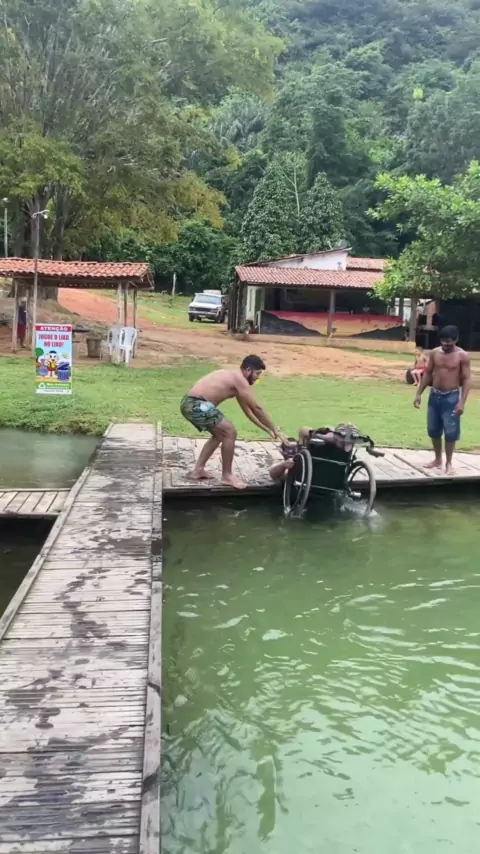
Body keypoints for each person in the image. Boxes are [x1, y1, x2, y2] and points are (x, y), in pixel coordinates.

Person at [180, 355, 284, 489]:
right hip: (196, 404)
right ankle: (227, 476)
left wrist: (268, 430)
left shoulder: (236, 380)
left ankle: (197, 471)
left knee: (220, 435)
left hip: (190, 404)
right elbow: (257, 408)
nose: (257, 378)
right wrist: (275, 429)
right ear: (248, 370)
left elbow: (249, 411)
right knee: (230, 432)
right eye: (257, 373)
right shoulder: (239, 380)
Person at [414, 325, 471, 475]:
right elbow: (428, 373)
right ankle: (437, 459)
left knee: (451, 431)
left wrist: (462, 402)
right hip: (435, 395)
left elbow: (466, 379)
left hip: (451, 397)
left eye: (449, 343)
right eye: (443, 342)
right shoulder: (434, 353)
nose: (445, 345)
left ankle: (449, 463)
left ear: (456, 340)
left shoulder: (462, 356)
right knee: (433, 429)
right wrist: (419, 393)